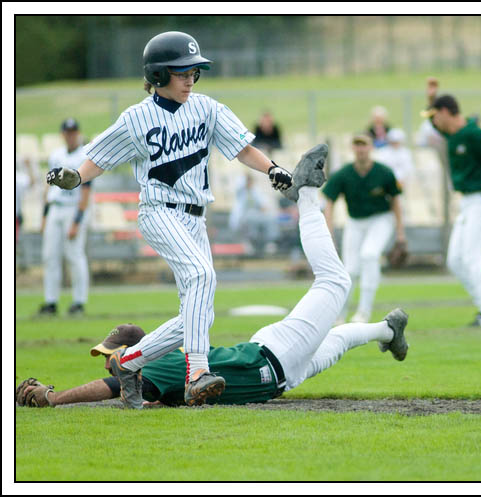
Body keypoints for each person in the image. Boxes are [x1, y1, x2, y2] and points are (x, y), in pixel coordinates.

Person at [17, 150, 410, 409]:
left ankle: (305, 194)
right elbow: (140, 395)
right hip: (280, 371)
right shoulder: (161, 373)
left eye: (110, 354)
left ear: (135, 350)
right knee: (336, 340)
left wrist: (54, 398)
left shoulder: (158, 366)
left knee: (335, 283)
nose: (108, 361)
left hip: (273, 355)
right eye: (108, 355)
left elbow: (111, 387)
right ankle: (389, 331)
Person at [45, 31, 295, 407]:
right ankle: (197, 374)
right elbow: (100, 158)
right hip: (159, 211)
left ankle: (129, 361)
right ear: (158, 75)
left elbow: (243, 149)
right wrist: (77, 177)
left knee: (197, 315)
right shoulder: (137, 118)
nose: (191, 78)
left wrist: (272, 168)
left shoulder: (207, 108)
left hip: (196, 219)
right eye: (182, 72)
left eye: (194, 71)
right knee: (202, 275)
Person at [421, 95, 481, 328]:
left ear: (445, 112)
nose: (433, 121)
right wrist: (431, 97)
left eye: (435, 115)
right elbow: (434, 125)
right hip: (467, 202)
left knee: (472, 257)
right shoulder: (453, 134)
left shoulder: (474, 133)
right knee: (455, 261)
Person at [323, 134, 406, 324]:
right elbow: (329, 203)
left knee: (369, 255)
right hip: (355, 221)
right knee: (349, 269)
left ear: (371, 147)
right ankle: (339, 315)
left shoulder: (384, 172)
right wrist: (329, 234)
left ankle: (364, 312)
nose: (361, 149)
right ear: (352, 148)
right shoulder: (343, 174)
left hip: (381, 219)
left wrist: (400, 233)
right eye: (357, 145)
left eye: (364, 145)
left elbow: (396, 201)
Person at [37, 118, 92, 317]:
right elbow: (48, 187)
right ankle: (51, 301)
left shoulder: (84, 155)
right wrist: (44, 215)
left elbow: (86, 189)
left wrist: (77, 220)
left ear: (78, 133)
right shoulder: (56, 155)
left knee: (74, 255)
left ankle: (79, 302)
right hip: (55, 207)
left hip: (72, 208)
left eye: (73, 132)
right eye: (67, 132)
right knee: (50, 256)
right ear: (63, 134)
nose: (70, 136)